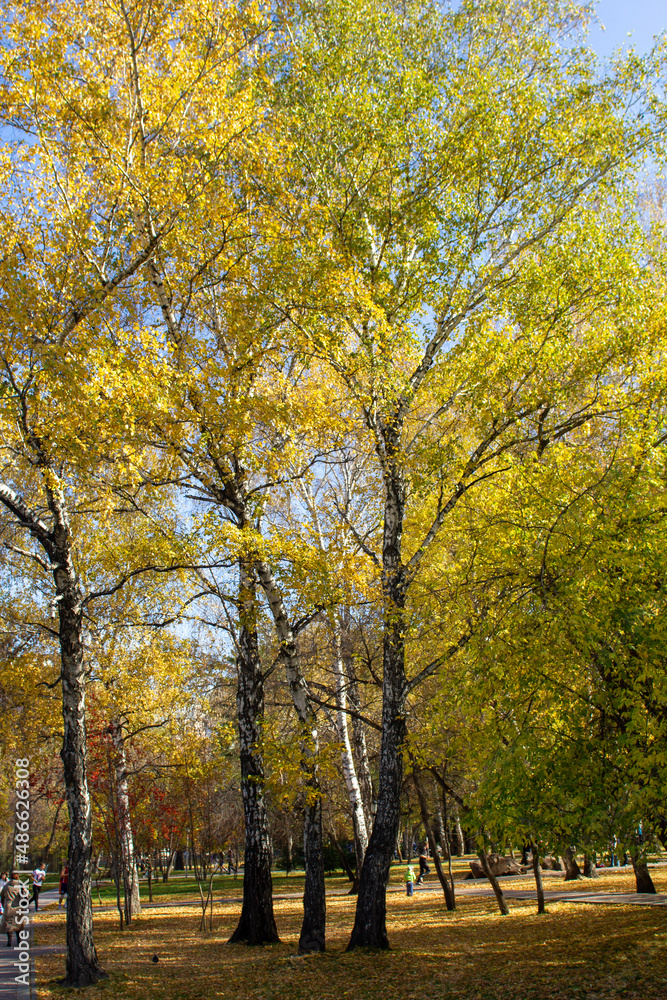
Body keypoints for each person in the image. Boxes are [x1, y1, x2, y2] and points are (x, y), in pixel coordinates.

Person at [0, 873, 27, 946]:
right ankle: (19, 939)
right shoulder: (20, 886)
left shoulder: (6, 886)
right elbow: (25, 895)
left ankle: (9, 941)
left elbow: (2, 896)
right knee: (18, 924)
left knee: (9, 925)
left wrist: (4, 905)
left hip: (8, 907)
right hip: (18, 906)